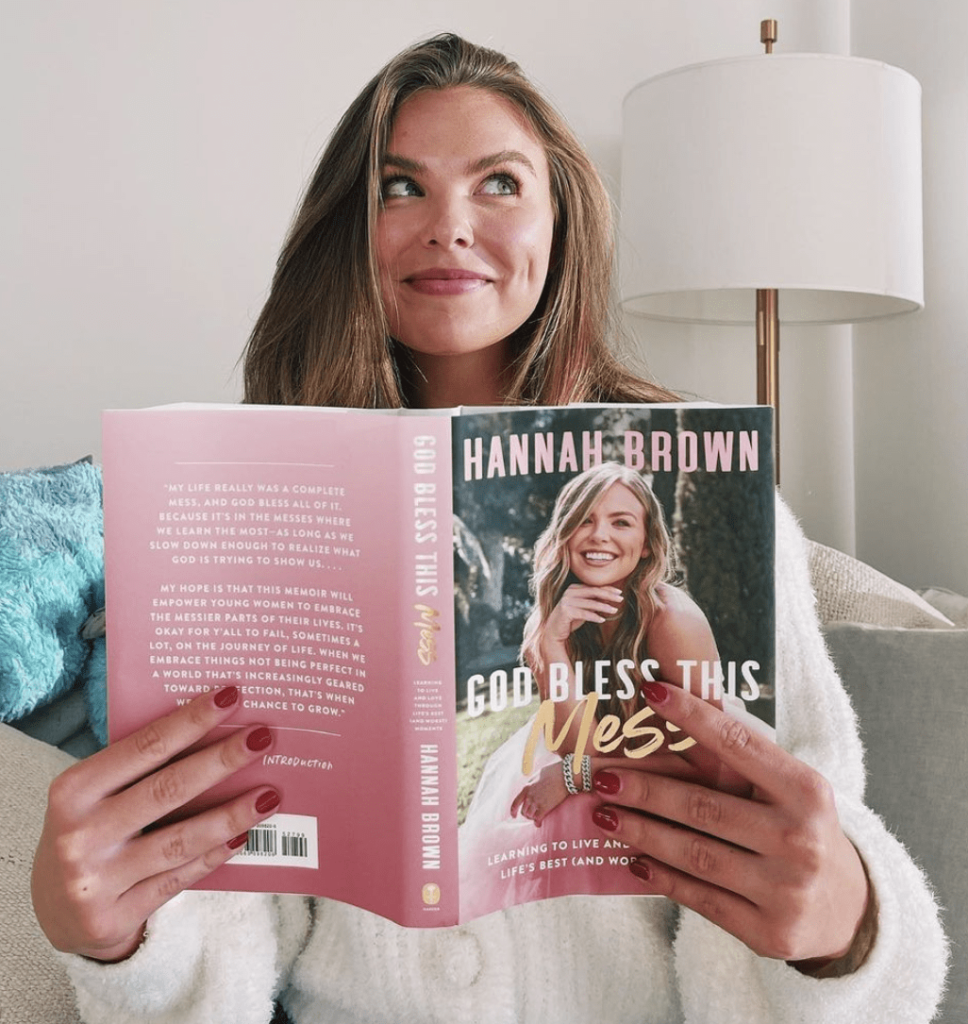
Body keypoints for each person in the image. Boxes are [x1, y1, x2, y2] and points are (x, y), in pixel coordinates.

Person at [32, 32, 947, 1024]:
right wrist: (124, 940)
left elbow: (810, 823)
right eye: (400, 187)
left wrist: (846, 930)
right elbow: (231, 887)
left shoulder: (717, 504)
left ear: (561, 220)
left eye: (499, 183)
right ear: (350, 228)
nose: (450, 227)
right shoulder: (248, 509)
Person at [458, 461, 725, 917]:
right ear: (565, 535)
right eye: (585, 520)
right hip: (610, 764)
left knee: (575, 809)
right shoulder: (552, 622)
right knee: (562, 817)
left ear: (647, 544)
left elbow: (711, 769)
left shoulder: (672, 620)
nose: (599, 535)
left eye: (621, 522)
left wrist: (575, 775)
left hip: (682, 783)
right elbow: (570, 744)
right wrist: (552, 645)